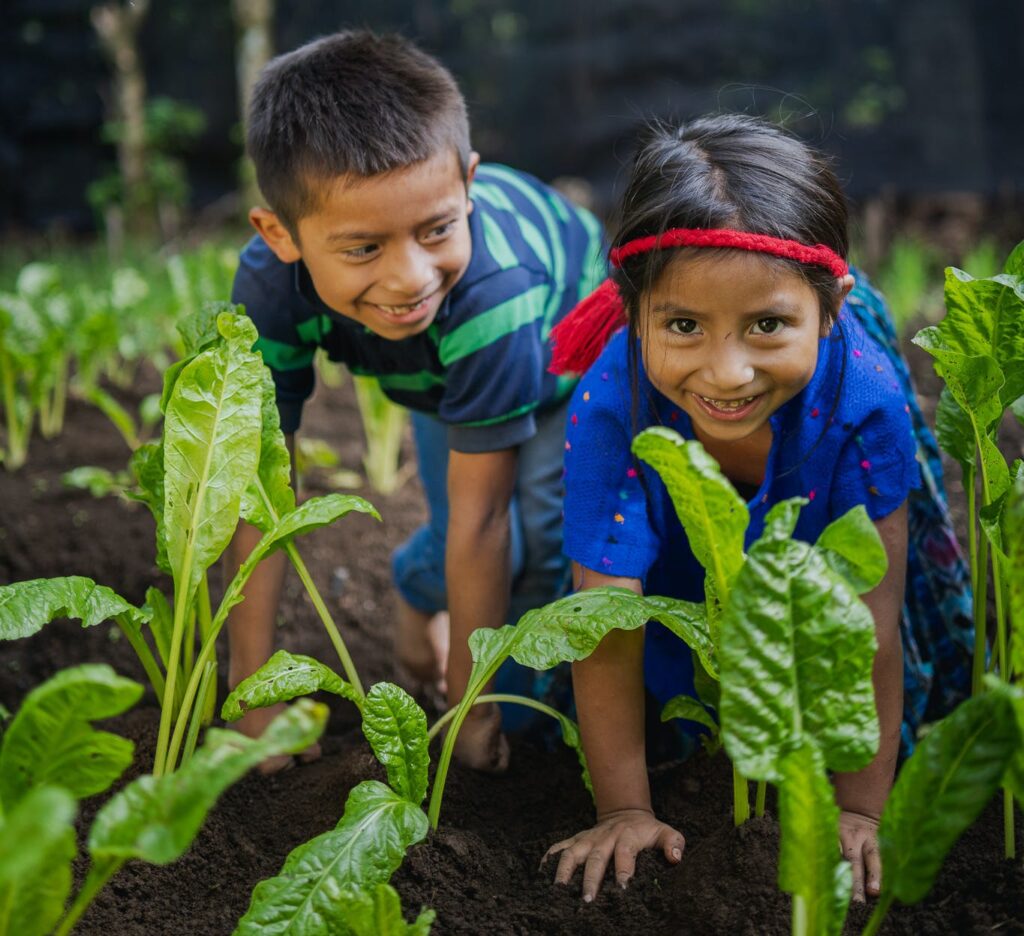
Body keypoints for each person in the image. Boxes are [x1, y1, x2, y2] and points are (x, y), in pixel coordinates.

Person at [543, 115, 973, 904]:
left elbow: (870, 627)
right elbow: (602, 619)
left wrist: (858, 813)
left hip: (815, 637)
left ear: (833, 307)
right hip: (673, 593)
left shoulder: (867, 402)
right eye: (682, 325)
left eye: (768, 325)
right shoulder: (613, 402)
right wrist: (626, 809)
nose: (728, 371)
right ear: (632, 310)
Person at [225, 30, 605, 772]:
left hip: (565, 362)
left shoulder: (494, 289)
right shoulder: (268, 292)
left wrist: (474, 706)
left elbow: (483, 517)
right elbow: (259, 494)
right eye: (364, 248)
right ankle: (419, 590)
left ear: (467, 183)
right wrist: (252, 695)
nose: (409, 277)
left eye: (437, 228)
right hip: (443, 376)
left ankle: (522, 716)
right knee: (487, 539)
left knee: (536, 540)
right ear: (280, 234)